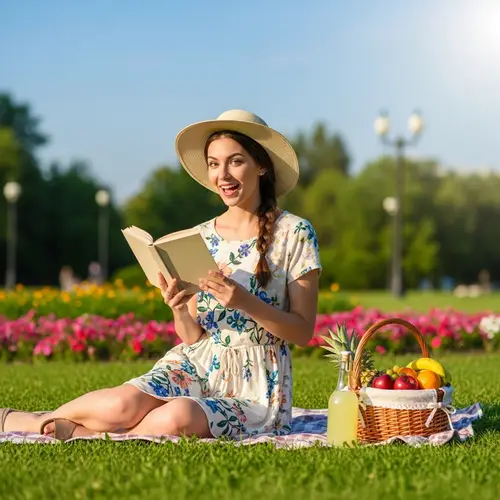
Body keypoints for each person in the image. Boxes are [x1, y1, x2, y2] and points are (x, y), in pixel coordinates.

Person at [1, 109, 321, 440]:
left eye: (235, 161)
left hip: (256, 387)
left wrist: (243, 301)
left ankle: (82, 434)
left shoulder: (294, 232)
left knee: (176, 417)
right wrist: (179, 308)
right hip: (195, 364)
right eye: (213, 163)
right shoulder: (200, 237)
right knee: (121, 406)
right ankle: (29, 422)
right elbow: (192, 337)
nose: (222, 174)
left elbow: (302, 331)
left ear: (262, 165)